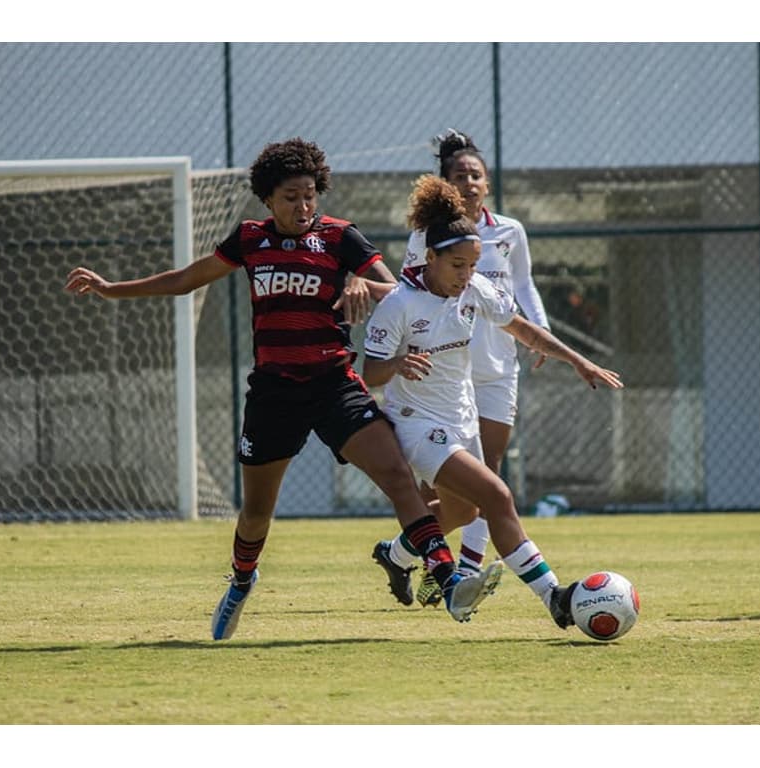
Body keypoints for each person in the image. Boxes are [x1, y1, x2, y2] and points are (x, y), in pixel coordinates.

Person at [63, 137, 500, 639]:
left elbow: (400, 291)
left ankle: (447, 581)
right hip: (274, 394)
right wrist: (113, 288)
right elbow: (190, 277)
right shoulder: (250, 239)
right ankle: (242, 580)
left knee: (398, 478)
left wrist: (362, 285)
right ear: (268, 199)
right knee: (255, 513)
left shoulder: (340, 238)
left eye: (311, 194)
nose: (303, 205)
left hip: (336, 385)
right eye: (291, 196)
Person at [363, 173, 623, 629]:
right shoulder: (399, 305)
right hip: (416, 423)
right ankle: (555, 599)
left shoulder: (475, 289)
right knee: (498, 496)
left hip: (461, 415)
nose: (466, 276)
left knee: (465, 511)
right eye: (457, 265)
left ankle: (395, 553)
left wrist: (577, 360)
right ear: (430, 258)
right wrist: (400, 363)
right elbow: (369, 373)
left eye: (472, 265)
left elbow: (521, 327)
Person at [372, 129, 553, 609]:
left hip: (492, 371)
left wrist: (553, 340)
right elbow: (410, 295)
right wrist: (394, 346)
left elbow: (522, 291)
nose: (469, 182)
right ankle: (470, 578)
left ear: (488, 183)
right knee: (485, 487)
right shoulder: (425, 249)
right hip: (436, 382)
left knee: (472, 495)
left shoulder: (507, 233)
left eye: (477, 174)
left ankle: (403, 553)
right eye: (460, 175)